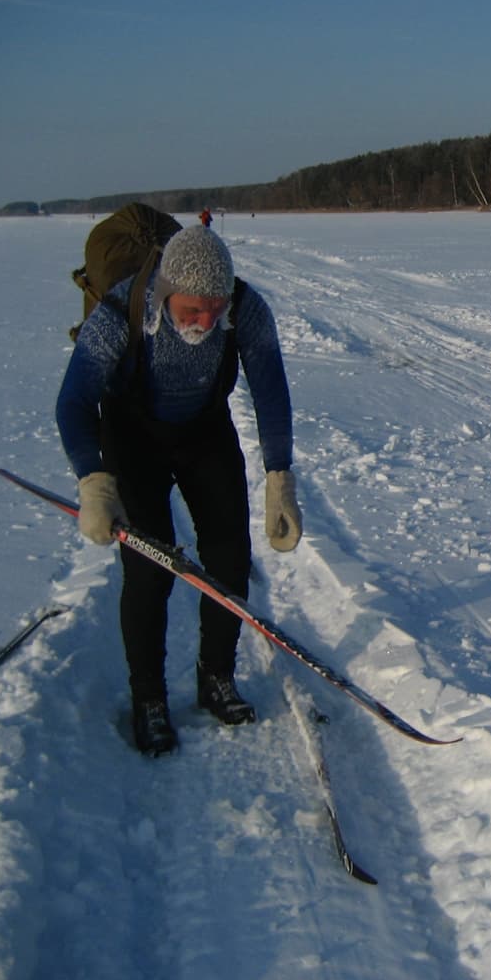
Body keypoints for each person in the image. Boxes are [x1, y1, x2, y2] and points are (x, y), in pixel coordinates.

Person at [56, 224, 302, 756]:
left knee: (230, 560)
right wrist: (93, 480)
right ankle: (148, 698)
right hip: (133, 435)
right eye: (194, 310)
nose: (207, 321)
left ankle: (216, 677)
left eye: (215, 308)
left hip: (204, 432)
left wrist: (280, 477)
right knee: (149, 570)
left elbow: (271, 392)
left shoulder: (246, 308)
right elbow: (73, 401)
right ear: (165, 293)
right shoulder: (121, 312)